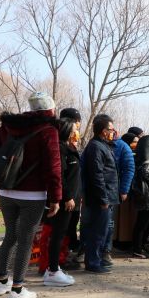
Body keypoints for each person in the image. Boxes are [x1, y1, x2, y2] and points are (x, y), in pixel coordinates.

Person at [0, 92, 62, 298]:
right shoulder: (49, 130)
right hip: (32, 195)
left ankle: (1, 282)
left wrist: (10, 164)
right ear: (51, 110)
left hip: (5, 191)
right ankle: (17, 290)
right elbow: (53, 168)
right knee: (25, 239)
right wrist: (56, 198)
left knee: (10, 236)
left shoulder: (9, 126)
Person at [43, 118, 80, 286]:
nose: (76, 133)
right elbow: (60, 177)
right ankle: (52, 271)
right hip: (63, 200)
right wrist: (67, 197)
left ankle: (54, 267)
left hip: (69, 199)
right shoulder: (60, 149)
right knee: (57, 235)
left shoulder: (68, 148)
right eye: (73, 130)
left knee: (60, 234)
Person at [80, 114, 119, 273]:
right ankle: (93, 263)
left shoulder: (104, 145)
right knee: (96, 231)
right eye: (111, 129)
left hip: (107, 195)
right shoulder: (96, 147)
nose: (113, 132)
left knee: (101, 231)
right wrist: (103, 198)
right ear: (103, 131)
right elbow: (97, 175)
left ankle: (96, 260)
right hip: (100, 198)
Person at [103, 129, 135, 264]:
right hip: (94, 191)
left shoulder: (121, 146)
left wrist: (123, 189)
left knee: (108, 222)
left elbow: (129, 168)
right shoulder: (94, 145)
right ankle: (86, 249)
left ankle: (106, 251)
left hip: (112, 191)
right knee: (90, 222)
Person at [130, 135, 149, 259]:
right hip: (148, 195)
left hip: (148, 196)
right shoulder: (147, 160)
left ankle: (141, 245)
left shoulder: (142, 158)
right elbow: (147, 172)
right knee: (144, 221)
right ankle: (137, 248)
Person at [59, 108, 83, 254]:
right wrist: (68, 196)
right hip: (66, 198)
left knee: (72, 225)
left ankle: (70, 249)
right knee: (63, 229)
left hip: (75, 196)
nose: (78, 126)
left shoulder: (72, 145)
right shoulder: (61, 147)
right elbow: (60, 174)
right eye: (76, 123)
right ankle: (61, 258)